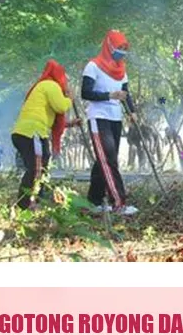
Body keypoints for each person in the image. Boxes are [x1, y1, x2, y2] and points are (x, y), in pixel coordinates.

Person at [81, 30, 139, 215]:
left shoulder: (121, 70)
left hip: (116, 118)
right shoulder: (93, 66)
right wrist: (109, 95)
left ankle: (94, 201)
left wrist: (132, 111)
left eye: (124, 48)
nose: (122, 52)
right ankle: (119, 203)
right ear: (109, 46)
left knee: (103, 160)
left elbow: (125, 93)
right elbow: (85, 93)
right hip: (99, 117)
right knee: (109, 159)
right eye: (119, 48)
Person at [9, 59, 73, 209]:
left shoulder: (44, 85)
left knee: (41, 165)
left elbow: (47, 116)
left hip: (29, 132)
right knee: (36, 169)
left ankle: (35, 199)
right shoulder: (51, 85)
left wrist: (70, 124)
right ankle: (27, 203)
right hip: (32, 133)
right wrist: (70, 99)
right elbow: (61, 107)